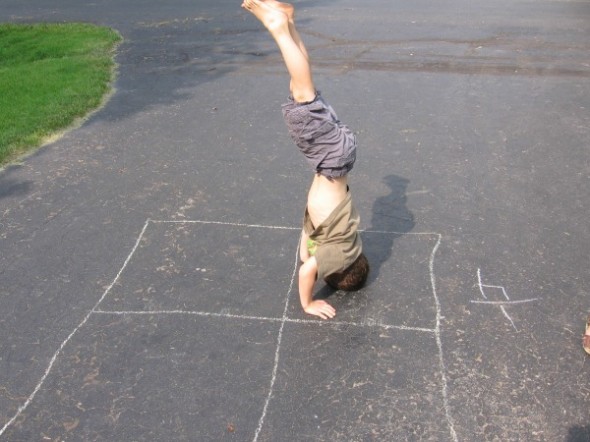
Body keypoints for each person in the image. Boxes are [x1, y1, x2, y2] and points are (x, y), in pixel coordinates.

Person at [242, 0, 369, 319]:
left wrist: (307, 250)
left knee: (303, 88)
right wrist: (308, 303)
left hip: (336, 158)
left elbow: (306, 252)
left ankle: (288, 22)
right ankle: (278, 28)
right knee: (303, 95)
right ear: (339, 271)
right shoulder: (340, 255)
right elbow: (306, 271)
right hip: (331, 159)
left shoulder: (335, 241)